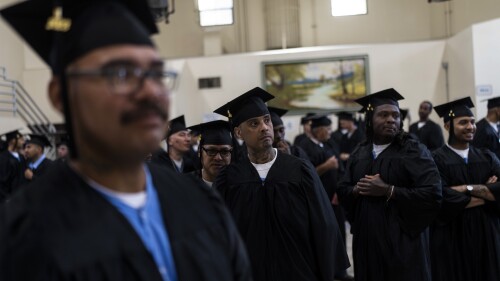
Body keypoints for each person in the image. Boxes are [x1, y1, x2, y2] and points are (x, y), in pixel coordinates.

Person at [0, 1, 251, 280]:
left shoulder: (198, 198)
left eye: (156, 74)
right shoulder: (26, 232)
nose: (150, 92)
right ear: (60, 94)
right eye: (120, 74)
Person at [213, 87, 349, 281]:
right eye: (254, 123)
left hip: (299, 271)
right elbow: (220, 233)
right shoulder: (230, 178)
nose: (264, 127)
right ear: (238, 133)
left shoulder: (300, 169)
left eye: (266, 120)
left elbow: (323, 224)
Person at [337, 88, 442, 281]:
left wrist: (389, 190)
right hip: (368, 239)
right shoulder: (360, 152)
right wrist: (356, 189)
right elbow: (342, 188)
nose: (391, 120)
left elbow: (432, 192)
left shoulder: (413, 150)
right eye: (383, 115)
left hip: (403, 239)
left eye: (395, 115)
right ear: (370, 119)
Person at [431, 97, 500, 281]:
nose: (470, 127)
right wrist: (487, 192)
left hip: (487, 234)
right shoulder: (434, 160)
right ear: (447, 126)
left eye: (471, 121)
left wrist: (464, 188)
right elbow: (440, 197)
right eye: (463, 123)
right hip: (451, 236)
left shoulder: (487, 156)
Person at [187, 120, 233, 187]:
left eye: (224, 152)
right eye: (211, 151)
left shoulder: (240, 187)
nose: (218, 158)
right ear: (200, 152)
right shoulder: (185, 184)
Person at [0, 129, 27, 202]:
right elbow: (2, 181)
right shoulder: (3, 157)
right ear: (13, 140)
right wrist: (7, 198)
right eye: (21, 140)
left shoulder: (21, 157)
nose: (23, 142)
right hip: (8, 199)